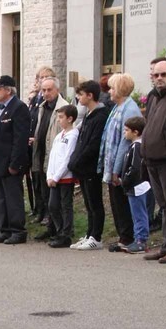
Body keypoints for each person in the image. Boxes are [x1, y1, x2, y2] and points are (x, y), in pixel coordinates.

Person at [140, 58, 166, 264]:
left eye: (164, 74)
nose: (160, 78)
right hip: (153, 159)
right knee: (163, 206)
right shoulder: (154, 97)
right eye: (156, 75)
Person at [0, 75, 31, 244]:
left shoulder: (18, 108)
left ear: (8, 90)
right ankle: (4, 229)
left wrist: (15, 164)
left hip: (10, 163)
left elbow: (19, 139)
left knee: (13, 198)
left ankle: (17, 230)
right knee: (0, 198)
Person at [100, 73, 140, 252]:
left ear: (121, 89)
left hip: (121, 165)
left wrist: (116, 170)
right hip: (111, 164)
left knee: (122, 202)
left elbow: (124, 143)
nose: (109, 91)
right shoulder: (117, 107)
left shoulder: (129, 109)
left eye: (112, 87)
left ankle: (128, 237)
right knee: (116, 203)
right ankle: (123, 236)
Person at [69, 80, 109, 250]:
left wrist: (78, 160)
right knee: (88, 203)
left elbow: (93, 144)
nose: (78, 97)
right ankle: (89, 233)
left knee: (95, 202)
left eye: (80, 94)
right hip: (82, 168)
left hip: (91, 167)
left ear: (90, 95)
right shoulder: (88, 114)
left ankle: (96, 236)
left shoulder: (100, 115)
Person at [31, 76, 67, 239]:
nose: (46, 93)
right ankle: (51, 227)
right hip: (41, 154)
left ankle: (61, 229)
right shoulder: (42, 107)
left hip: (55, 157)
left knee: (57, 198)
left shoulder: (63, 107)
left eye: (49, 90)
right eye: (43, 90)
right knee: (45, 195)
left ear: (57, 90)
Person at [44, 103, 79, 248]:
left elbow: (67, 158)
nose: (59, 120)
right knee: (53, 205)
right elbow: (53, 157)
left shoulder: (73, 135)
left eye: (61, 117)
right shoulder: (59, 135)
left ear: (70, 119)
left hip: (65, 177)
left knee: (65, 206)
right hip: (54, 178)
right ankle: (59, 231)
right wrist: (49, 175)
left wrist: (57, 176)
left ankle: (66, 234)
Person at [119, 114, 150, 253]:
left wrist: (125, 180)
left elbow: (135, 167)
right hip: (134, 186)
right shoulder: (133, 146)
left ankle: (141, 240)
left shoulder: (137, 147)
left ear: (135, 132)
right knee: (135, 213)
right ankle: (137, 238)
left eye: (126, 130)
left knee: (139, 213)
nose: (124, 133)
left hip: (137, 186)